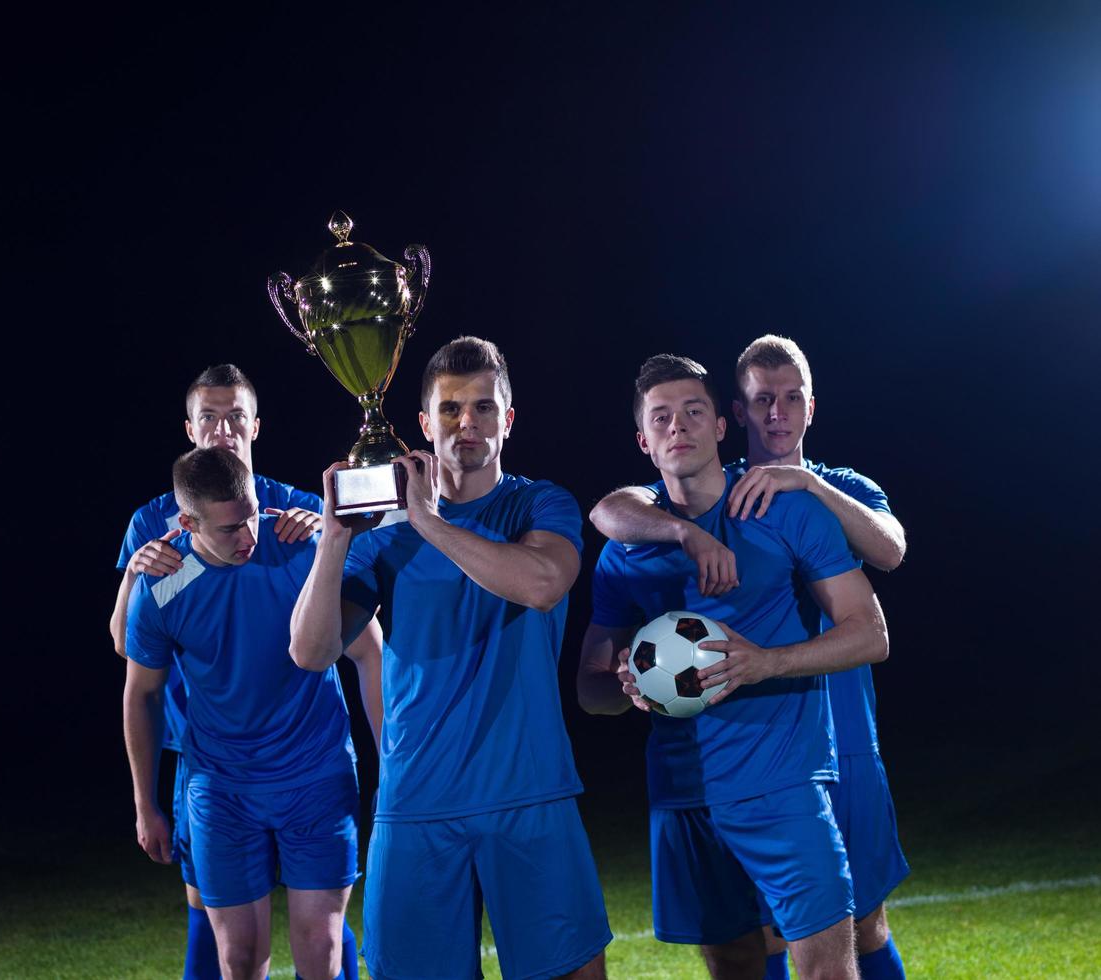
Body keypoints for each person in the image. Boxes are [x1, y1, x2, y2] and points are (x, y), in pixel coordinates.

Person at [290, 337, 611, 980]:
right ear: (424, 424)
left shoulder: (540, 503)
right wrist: (332, 539)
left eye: (484, 409)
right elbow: (310, 650)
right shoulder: (383, 531)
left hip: (529, 788)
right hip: (417, 798)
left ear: (508, 419)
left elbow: (543, 583)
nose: (468, 424)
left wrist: (428, 521)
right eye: (452, 410)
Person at [590, 338, 909, 980]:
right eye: (764, 399)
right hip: (708, 766)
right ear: (740, 411)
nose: (778, 413)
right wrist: (685, 533)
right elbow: (608, 509)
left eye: (792, 398)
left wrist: (808, 482)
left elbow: (891, 551)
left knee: (862, 922)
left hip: (831, 733)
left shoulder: (823, 494)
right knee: (752, 940)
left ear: (811, 407)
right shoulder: (690, 503)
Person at [111, 363, 377, 979]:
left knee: (324, 943)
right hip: (210, 763)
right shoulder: (160, 553)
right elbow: (131, 659)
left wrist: (329, 542)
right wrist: (144, 800)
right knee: (224, 941)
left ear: (257, 425)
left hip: (311, 764)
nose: (224, 429)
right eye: (210, 417)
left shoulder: (300, 522)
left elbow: (368, 643)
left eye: (236, 416)